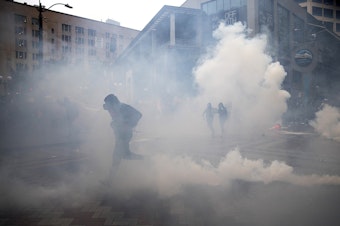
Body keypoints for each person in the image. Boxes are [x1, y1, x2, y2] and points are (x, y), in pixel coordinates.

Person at [103, 94, 142, 166]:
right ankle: (147, 159)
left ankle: (111, 176)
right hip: (119, 133)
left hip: (125, 134)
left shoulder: (124, 107)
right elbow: (116, 119)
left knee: (118, 156)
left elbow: (138, 114)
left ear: (113, 103)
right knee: (124, 155)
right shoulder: (114, 107)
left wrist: (128, 125)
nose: (109, 108)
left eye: (108, 104)